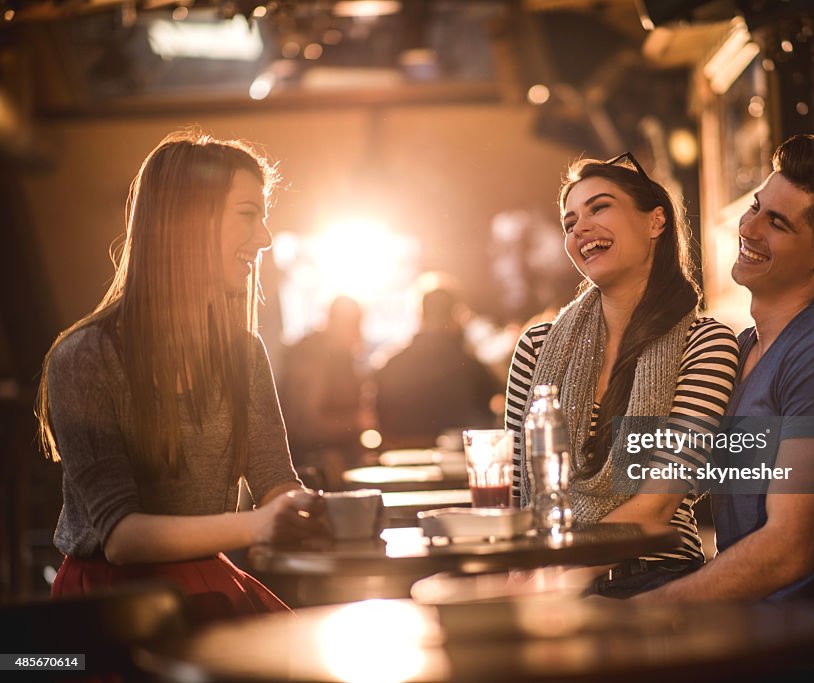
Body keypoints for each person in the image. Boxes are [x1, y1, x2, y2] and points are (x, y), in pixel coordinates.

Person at [639, 135, 814, 677]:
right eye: (756, 207)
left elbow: (787, 551)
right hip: (746, 638)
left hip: (804, 657)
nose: (749, 228)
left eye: (777, 223)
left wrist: (639, 615)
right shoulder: (743, 349)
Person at [36, 130, 324, 622]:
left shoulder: (244, 353)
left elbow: (276, 481)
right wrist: (259, 525)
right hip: (111, 608)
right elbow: (122, 538)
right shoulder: (84, 357)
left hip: (203, 581)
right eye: (249, 214)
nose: (266, 238)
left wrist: (304, 509)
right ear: (189, 222)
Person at [504, 153, 740, 598]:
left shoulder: (705, 343)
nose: (579, 229)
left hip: (653, 583)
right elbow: (521, 495)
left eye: (600, 207)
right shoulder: (536, 346)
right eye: (569, 222)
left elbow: (656, 507)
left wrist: (552, 577)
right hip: (546, 579)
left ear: (656, 222)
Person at [374, 281, 501, 448]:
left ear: (420, 316)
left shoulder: (390, 365)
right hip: (458, 466)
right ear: (455, 316)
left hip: (402, 465)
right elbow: (492, 412)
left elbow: (380, 421)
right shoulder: (471, 367)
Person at [279, 295, 371, 488]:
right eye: (355, 325)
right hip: (317, 473)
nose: (359, 333)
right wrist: (356, 421)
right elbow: (306, 425)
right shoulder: (311, 358)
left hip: (336, 468)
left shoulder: (340, 356)